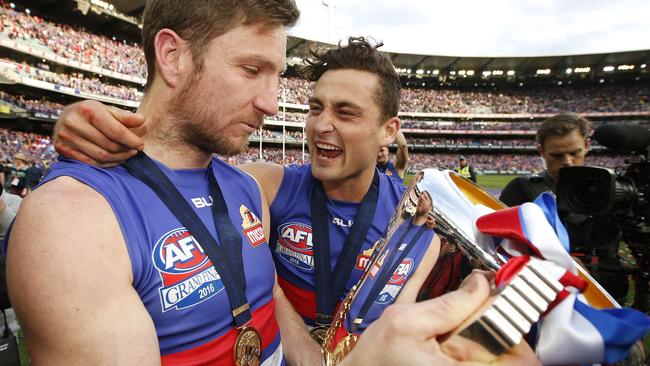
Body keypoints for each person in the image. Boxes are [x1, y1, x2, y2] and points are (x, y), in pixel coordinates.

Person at [48, 31, 537, 366]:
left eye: (345, 112)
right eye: (316, 108)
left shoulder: (418, 221)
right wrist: (81, 122)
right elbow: (177, 168)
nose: (322, 125)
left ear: (389, 131)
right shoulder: (262, 185)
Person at [499, 113, 590, 206]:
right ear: (542, 151)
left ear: (587, 145)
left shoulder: (604, 187)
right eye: (556, 156)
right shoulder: (520, 189)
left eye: (574, 153)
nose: (567, 162)